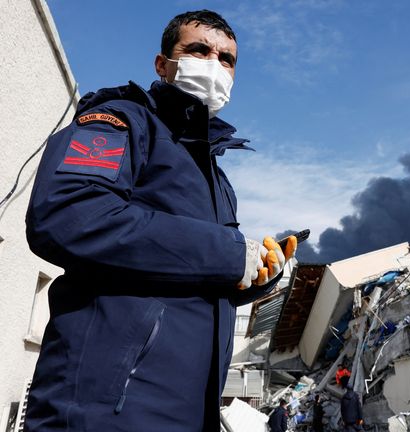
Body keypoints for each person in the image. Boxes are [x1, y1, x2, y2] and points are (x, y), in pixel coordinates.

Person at [23, 10, 297, 432]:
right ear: (162, 64)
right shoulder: (123, 122)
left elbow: (185, 275)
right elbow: (69, 213)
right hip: (107, 410)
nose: (214, 63)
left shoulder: (213, 175)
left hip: (187, 411)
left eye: (226, 58)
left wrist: (255, 277)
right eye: (199, 50)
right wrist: (229, 255)